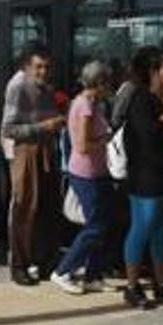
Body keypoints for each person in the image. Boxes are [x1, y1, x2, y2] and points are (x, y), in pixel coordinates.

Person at [1, 42, 66, 285]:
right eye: (38, 67)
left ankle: (44, 260)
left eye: (47, 67)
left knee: (46, 209)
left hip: (46, 151)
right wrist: (43, 127)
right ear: (27, 67)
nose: (43, 72)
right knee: (24, 208)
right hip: (27, 152)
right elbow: (8, 128)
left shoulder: (45, 88)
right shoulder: (17, 87)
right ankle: (19, 265)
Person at [121, 46, 163, 309]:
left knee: (162, 232)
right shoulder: (141, 99)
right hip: (145, 178)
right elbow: (148, 137)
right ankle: (132, 287)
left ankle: (162, 284)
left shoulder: (160, 99)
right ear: (154, 72)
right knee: (141, 229)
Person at [50, 61, 115, 295]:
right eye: (107, 83)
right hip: (86, 173)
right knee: (94, 226)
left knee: (103, 223)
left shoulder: (92, 104)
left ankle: (93, 275)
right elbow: (83, 145)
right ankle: (63, 270)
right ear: (98, 83)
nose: (110, 88)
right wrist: (106, 139)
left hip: (98, 171)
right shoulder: (85, 107)